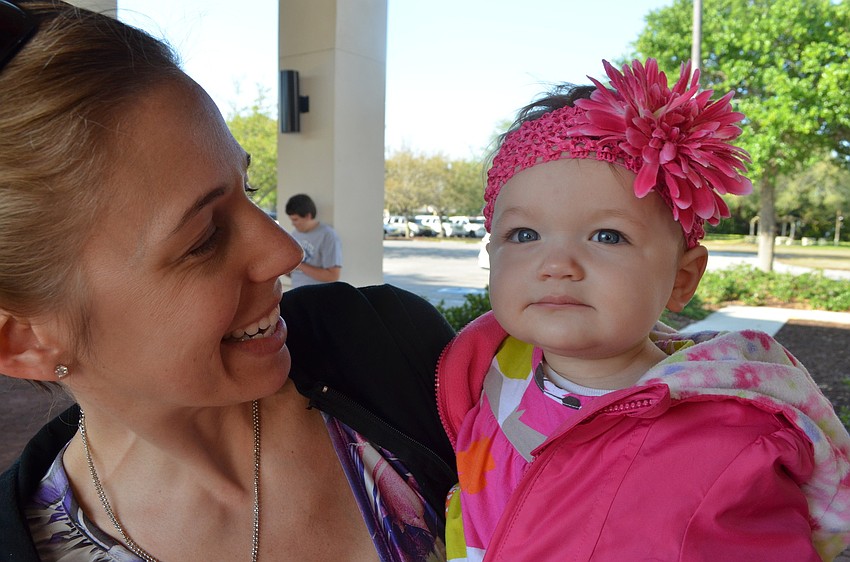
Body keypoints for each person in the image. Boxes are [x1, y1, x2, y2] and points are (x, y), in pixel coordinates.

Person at [0, 2, 456, 560]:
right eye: (203, 239)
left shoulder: (397, 351)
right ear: (23, 340)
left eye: (251, 190)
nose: (284, 251)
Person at [437, 58, 850, 561]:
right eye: (524, 235)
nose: (556, 264)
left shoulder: (736, 442)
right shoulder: (482, 382)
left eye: (607, 236)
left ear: (682, 279)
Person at [284, 193, 343, 288]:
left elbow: (333, 276)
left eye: (295, 220)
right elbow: (293, 273)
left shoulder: (328, 235)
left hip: (317, 296)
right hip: (296, 291)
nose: (293, 224)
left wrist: (299, 265)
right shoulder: (295, 234)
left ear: (308, 216)